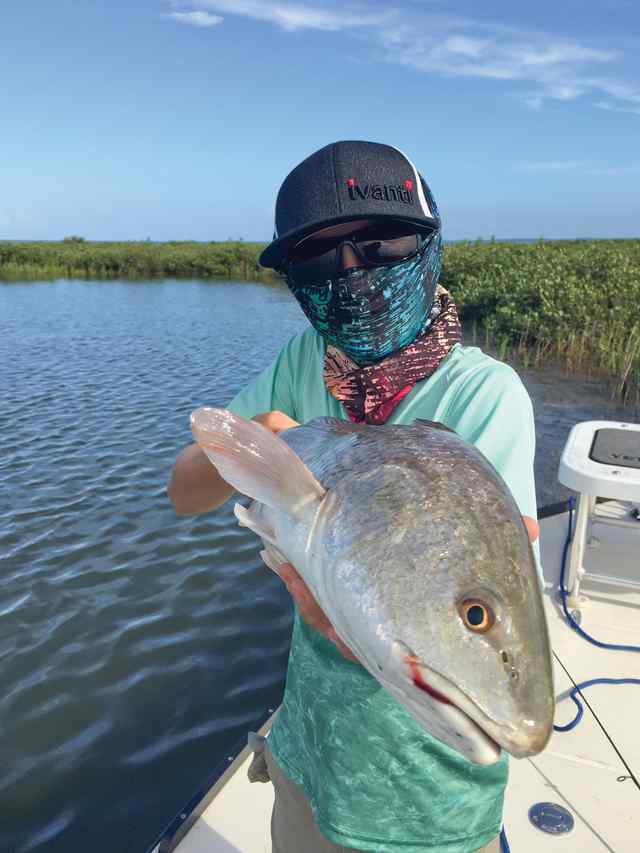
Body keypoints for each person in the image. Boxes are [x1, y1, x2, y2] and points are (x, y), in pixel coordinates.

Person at [168, 140, 540, 853]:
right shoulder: (302, 362)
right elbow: (184, 492)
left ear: (430, 244)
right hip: (311, 750)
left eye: (382, 243)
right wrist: (255, 448)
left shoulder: (485, 394)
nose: (354, 275)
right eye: (317, 261)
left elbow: (488, 578)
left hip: (428, 792)